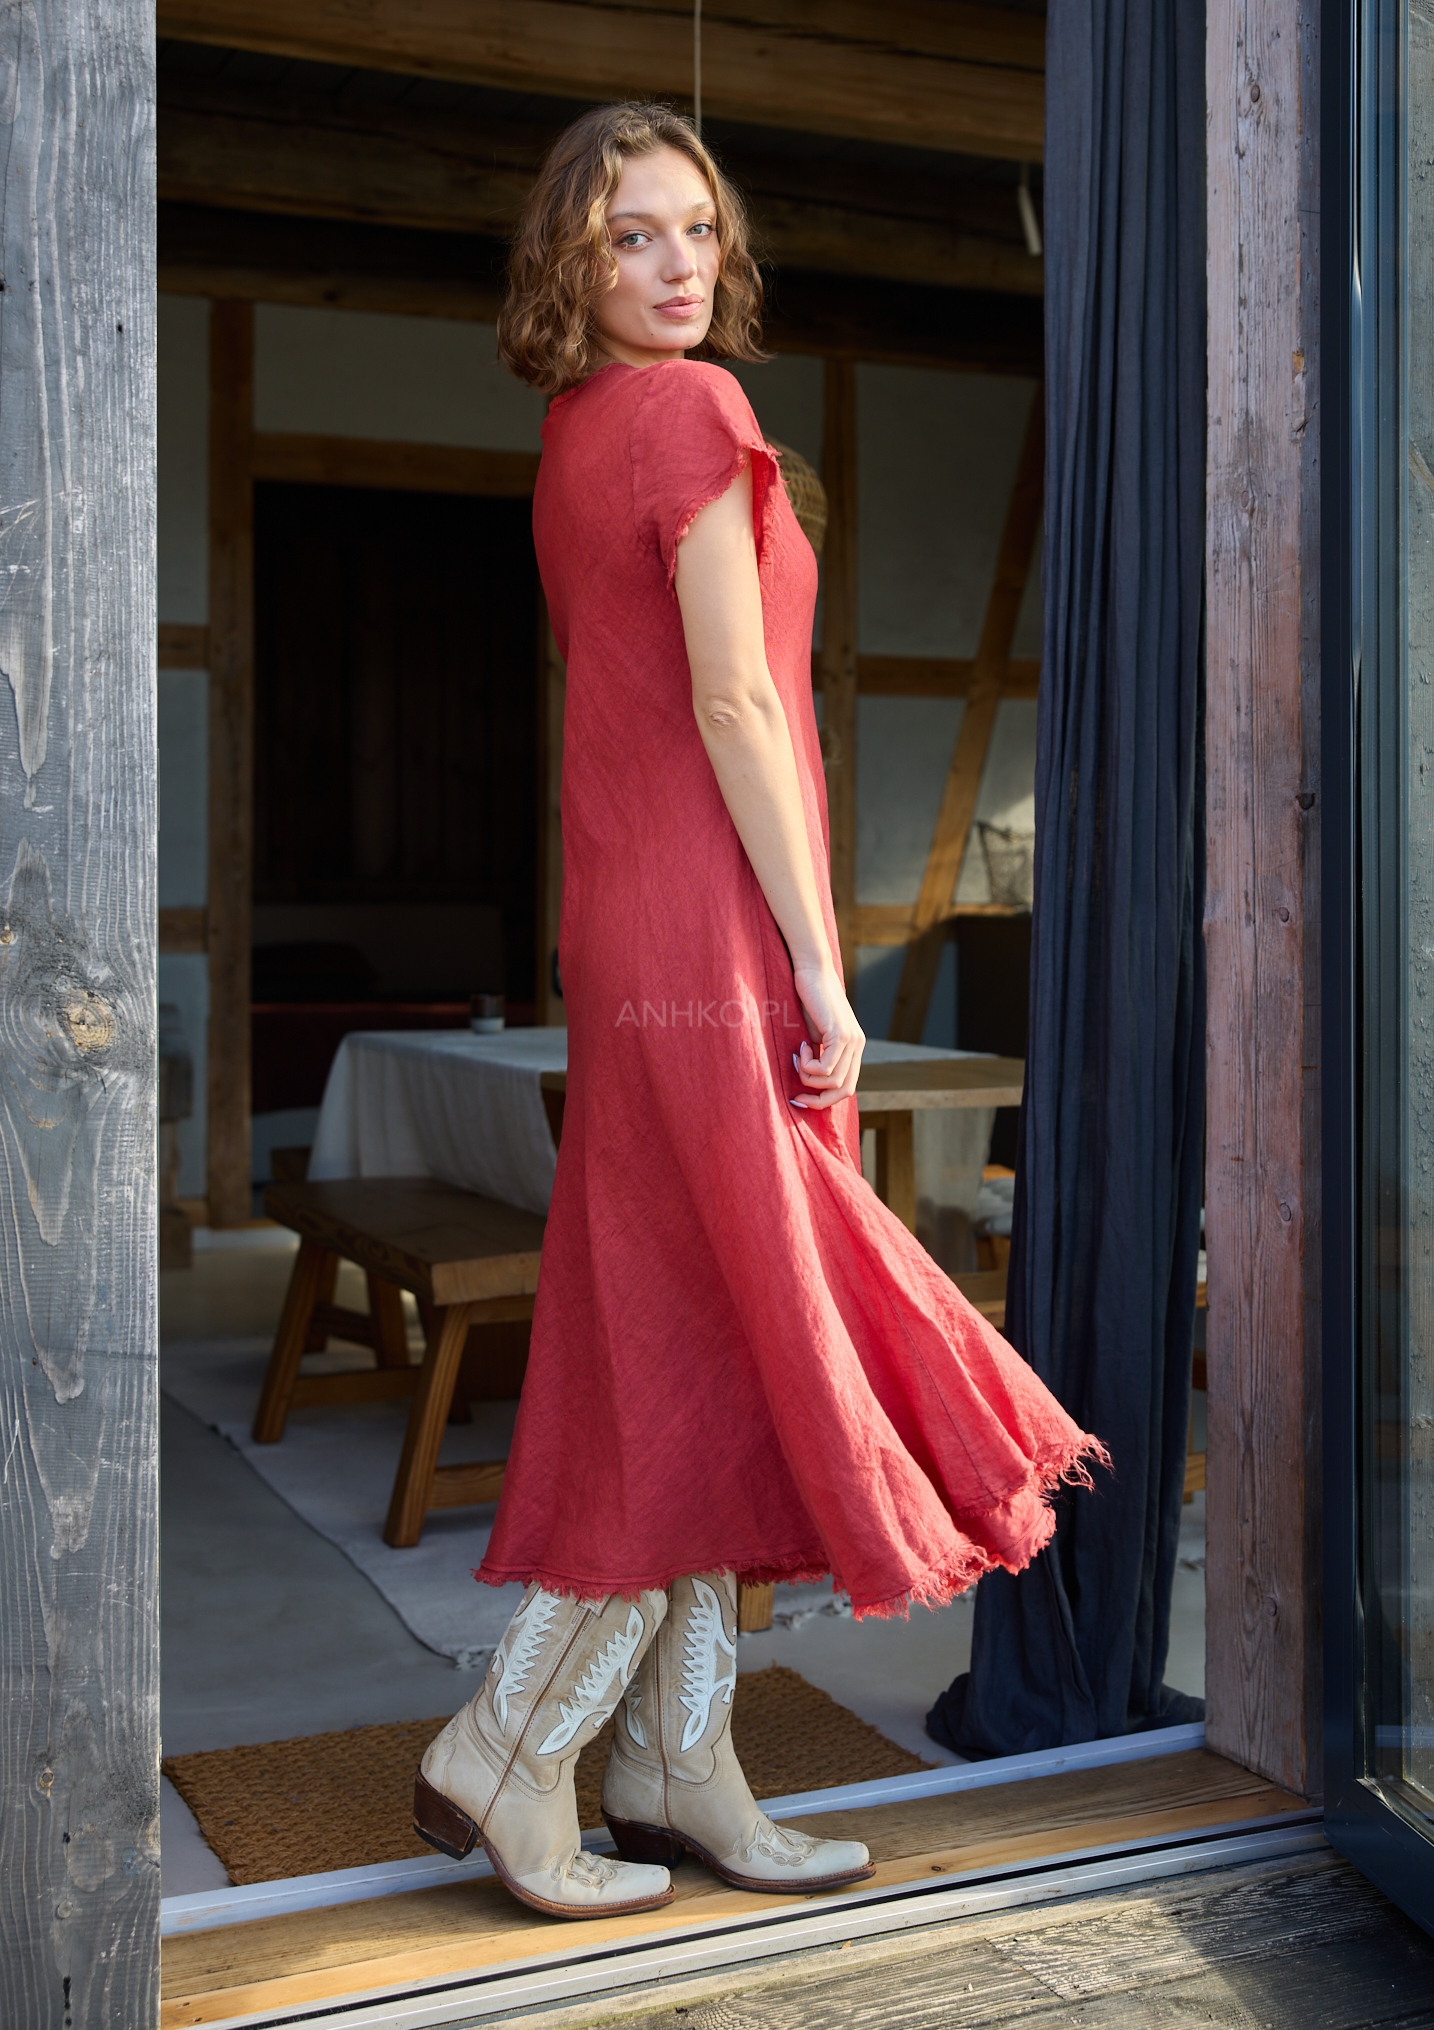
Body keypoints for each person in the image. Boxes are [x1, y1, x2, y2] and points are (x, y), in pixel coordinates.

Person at [412, 102, 1106, 1923]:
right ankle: (514, 1739)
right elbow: (734, 702)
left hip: (626, 919)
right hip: (710, 928)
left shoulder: (573, 434)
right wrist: (816, 957)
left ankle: (674, 1763)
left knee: (692, 1316)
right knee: (718, 1316)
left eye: (697, 229)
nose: (675, 263)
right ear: (569, 261)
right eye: (629, 234)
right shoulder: (688, 411)